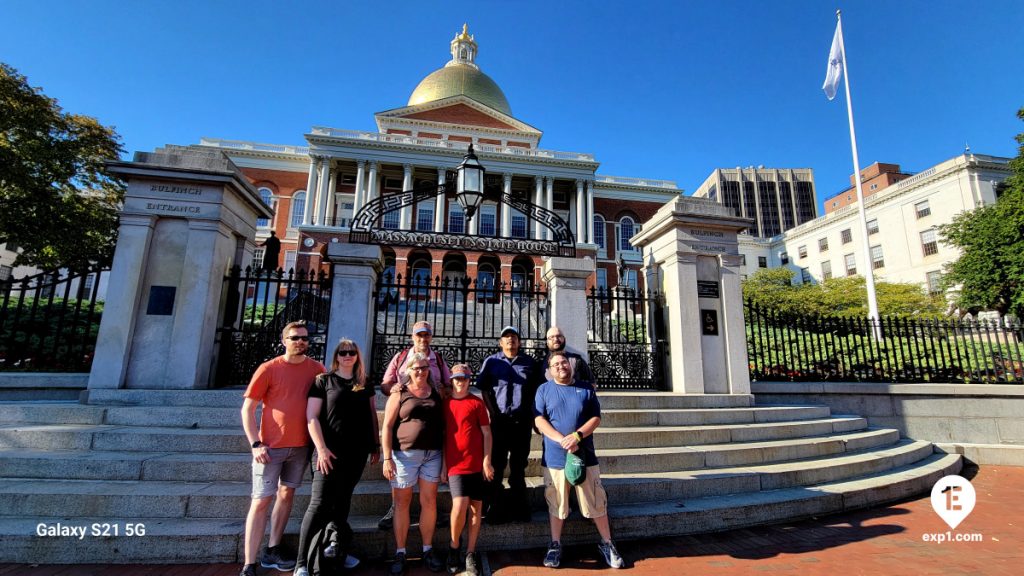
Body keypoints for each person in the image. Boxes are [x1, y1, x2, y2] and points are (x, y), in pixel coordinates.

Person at [240, 321, 326, 576]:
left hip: (300, 446)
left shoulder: (316, 369)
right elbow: (248, 409)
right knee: (261, 501)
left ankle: (273, 547)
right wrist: (255, 443)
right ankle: (249, 562)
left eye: (304, 338)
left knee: (286, 494)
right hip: (270, 447)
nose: (300, 342)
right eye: (295, 337)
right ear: (284, 340)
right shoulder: (269, 368)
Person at [293, 339, 379, 576]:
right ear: (337, 356)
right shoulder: (323, 381)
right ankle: (302, 562)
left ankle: (338, 550)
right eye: (343, 352)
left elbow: (371, 413)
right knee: (319, 504)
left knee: (342, 502)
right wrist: (320, 448)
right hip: (328, 453)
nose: (348, 355)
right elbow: (311, 417)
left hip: (357, 452)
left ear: (358, 355)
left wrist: (375, 445)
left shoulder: (364, 381)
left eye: (352, 352)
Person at [534, 351, 623, 569]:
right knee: (557, 501)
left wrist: (577, 436)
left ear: (570, 365)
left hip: (584, 456)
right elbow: (539, 419)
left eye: (564, 362)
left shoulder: (585, 388)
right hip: (555, 457)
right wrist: (561, 440)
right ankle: (555, 544)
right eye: (555, 364)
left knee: (595, 500)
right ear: (549, 369)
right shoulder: (543, 389)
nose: (561, 366)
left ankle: (607, 543)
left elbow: (595, 417)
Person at [379, 319, 451, 530]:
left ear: (431, 336)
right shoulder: (401, 357)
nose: (423, 338)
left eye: (426, 334)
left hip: (431, 420)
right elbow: (385, 383)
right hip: (404, 417)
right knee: (401, 483)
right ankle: (395, 509)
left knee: (428, 491)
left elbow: (448, 385)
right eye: (419, 334)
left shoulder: (437, 359)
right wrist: (394, 390)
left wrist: (441, 390)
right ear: (413, 337)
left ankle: (429, 513)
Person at [381, 352, 446, 574]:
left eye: (424, 367)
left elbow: (444, 425)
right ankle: (401, 552)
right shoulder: (399, 393)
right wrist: (387, 457)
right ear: (408, 370)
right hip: (404, 456)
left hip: (433, 454)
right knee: (402, 503)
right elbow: (387, 427)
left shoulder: (436, 391)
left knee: (429, 501)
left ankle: (427, 548)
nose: (420, 371)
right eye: (416, 368)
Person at [476, 325, 541, 524]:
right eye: (506, 337)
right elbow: (484, 389)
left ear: (519, 342)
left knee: (519, 465)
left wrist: (533, 417)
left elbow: (536, 392)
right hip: (499, 422)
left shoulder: (529, 363)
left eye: (514, 337)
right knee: (497, 464)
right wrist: (493, 414)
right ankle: (495, 507)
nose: (510, 340)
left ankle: (519, 506)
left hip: (521, 422)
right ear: (500, 342)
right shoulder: (492, 361)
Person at [443, 364, 494, 576]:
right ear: (452, 380)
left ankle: (470, 552)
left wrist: (486, 461)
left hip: (476, 464)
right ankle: (454, 547)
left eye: (463, 378)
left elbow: (487, 433)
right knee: (460, 505)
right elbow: (443, 435)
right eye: (456, 378)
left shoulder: (477, 403)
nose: (460, 382)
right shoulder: (445, 404)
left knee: (476, 508)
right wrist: (443, 465)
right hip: (456, 465)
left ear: (468, 380)